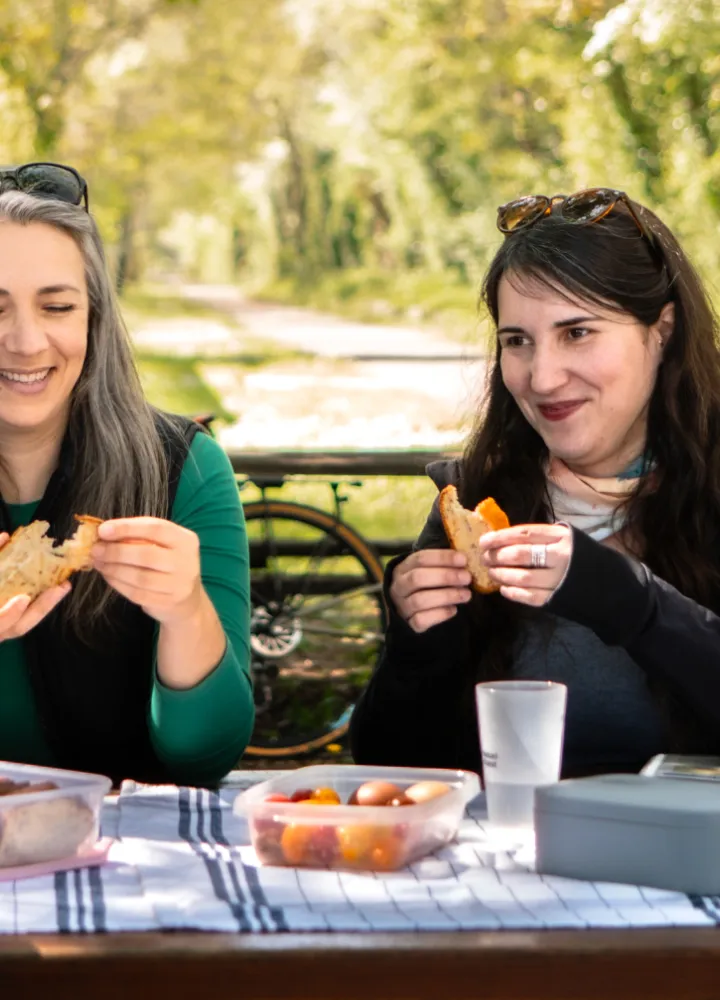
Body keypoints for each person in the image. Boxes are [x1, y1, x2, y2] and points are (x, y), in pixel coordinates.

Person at [350, 187, 720, 778]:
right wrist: (417, 649)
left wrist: (634, 603)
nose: (542, 378)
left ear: (663, 332)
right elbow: (387, 763)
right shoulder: (473, 500)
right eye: (517, 341)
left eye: (577, 332)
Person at [0, 163, 254, 786]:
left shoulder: (182, 467)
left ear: (94, 318)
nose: (27, 342)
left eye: (57, 306)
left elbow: (208, 755)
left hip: (125, 861)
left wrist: (186, 610)